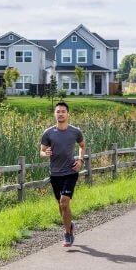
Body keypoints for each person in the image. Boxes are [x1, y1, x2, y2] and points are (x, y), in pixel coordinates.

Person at [40, 101, 86, 247]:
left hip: (70, 171)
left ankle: (67, 234)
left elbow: (82, 146)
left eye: (63, 111)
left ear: (68, 114)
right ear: (55, 114)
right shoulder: (48, 133)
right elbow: (41, 151)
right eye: (58, 111)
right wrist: (45, 153)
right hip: (55, 174)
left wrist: (80, 160)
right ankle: (70, 226)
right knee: (61, 207)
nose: (60, 114)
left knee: (64, 202)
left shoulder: (75, 131)